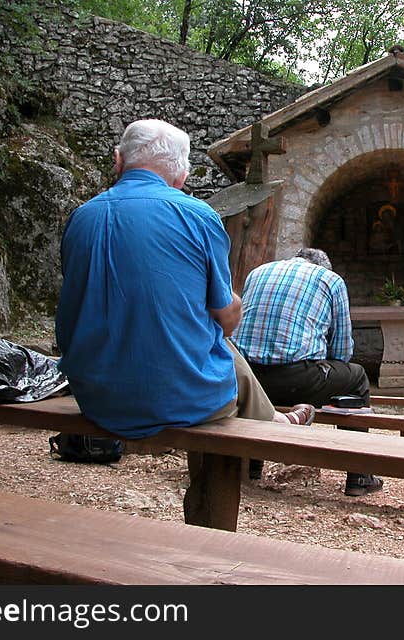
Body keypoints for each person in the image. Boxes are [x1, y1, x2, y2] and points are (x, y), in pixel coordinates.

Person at [55, 119, 314, 492]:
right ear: (181, 174)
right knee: (219, 330)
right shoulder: (197, 216)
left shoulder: (80, 218)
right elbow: (225, 320)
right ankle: (272, 427)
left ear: (118, 161)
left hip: (96, 398)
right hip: (185, 401)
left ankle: (275, 420)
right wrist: (229, 304)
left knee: (197, 334)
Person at [231, 247, 384, 497]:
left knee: (269, 377)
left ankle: (253, 467)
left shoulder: (257, 272)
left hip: (247, 379)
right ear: (323, 266)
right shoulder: (330, 280)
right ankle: (359, 475)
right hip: (296, 380)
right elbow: (342, 350)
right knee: (356, 376)